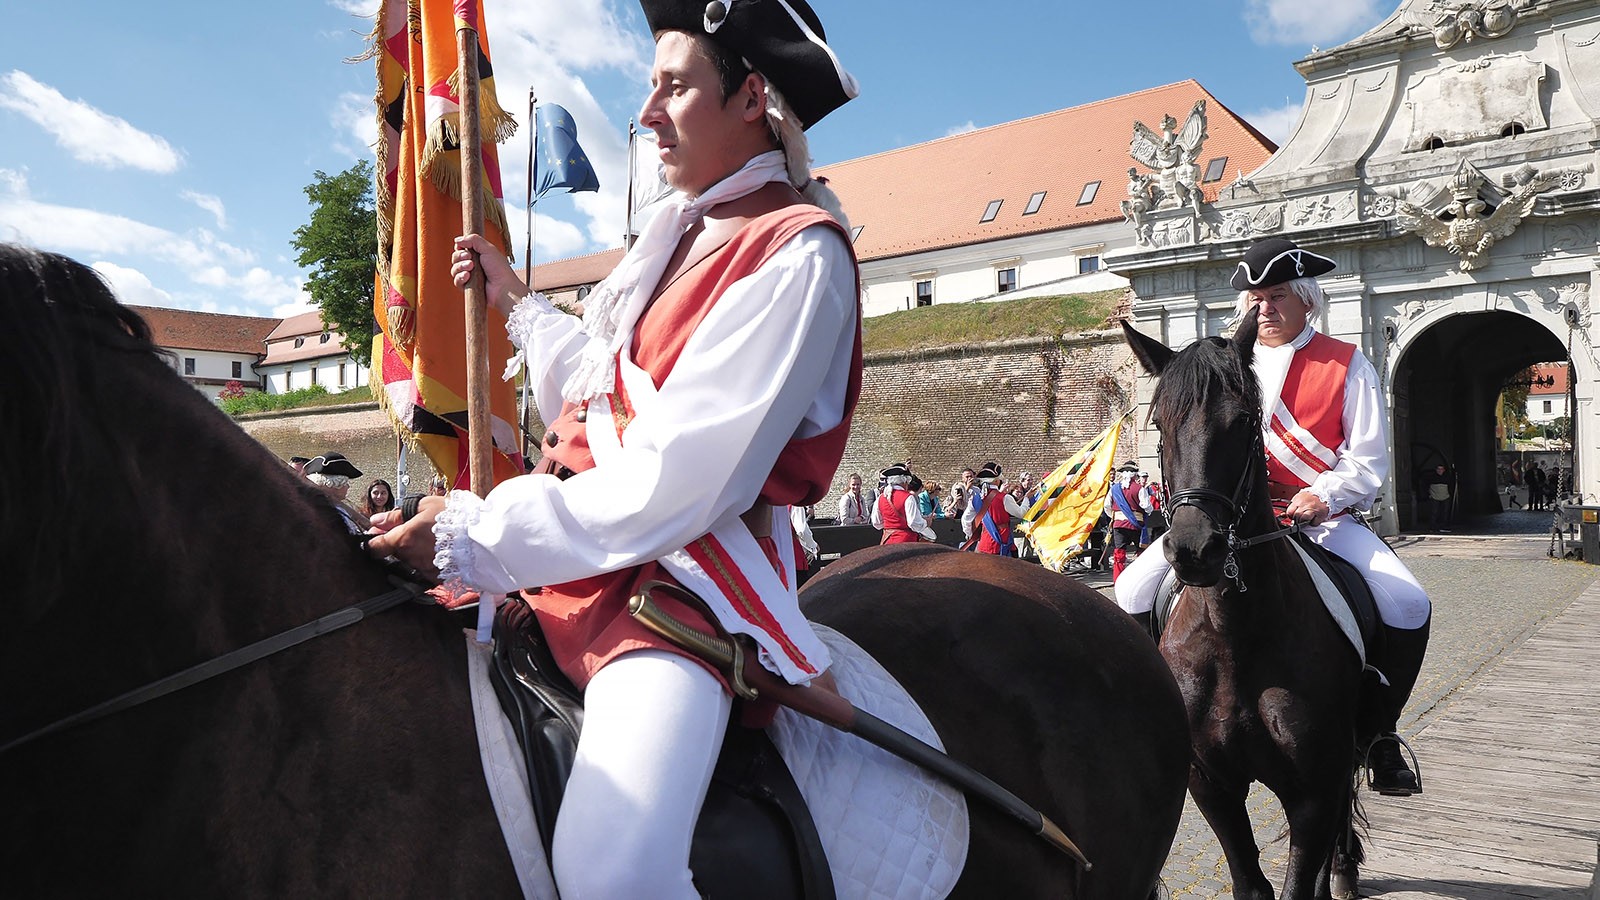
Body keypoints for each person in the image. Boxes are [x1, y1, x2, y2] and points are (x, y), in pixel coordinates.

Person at [366, 3, 861, 895]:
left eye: (674, 87)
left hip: (684, 585)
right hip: (575, 544)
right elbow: (603, 396)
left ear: (753, 98)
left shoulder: (798, 254)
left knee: (613, 870)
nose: (646, 112)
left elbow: (683, 481)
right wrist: (514, 301)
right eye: (651, 85)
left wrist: (477, 534)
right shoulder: (673, 235)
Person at [1116, 236, 1432, 797]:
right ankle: (1157, 718)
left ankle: (1380, 733)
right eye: (1256, 298)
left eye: (1278, 295)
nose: (1265, 307)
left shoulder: (1345, 362)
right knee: (1132, 589)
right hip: (1230, 521)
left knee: (1408, 602)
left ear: (1307, 299)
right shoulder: (1222, 364)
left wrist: (1325, 494)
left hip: (1322, 518)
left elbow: (1367, 458)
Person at [963, 462, 1026, 555]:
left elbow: (966, 520)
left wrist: (971, 535)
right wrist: (1026, 498)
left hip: (984, 544)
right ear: (996, 481)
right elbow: (1022, 513)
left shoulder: (975, 498)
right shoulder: (1004, 497)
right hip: (1002, 542)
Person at [1104, 461, 1152, 580]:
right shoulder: (1139, 489)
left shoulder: (1114, 489)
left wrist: (1115, 517)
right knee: (1141, 551)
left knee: (1119, 553)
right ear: (1135, 475)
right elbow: (1146, 506)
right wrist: (1147, 512)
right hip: (1135, 524)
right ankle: (1142, 578)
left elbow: (1107, 506)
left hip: (1118, 525)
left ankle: (1118, 579)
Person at [871, 463, 935, 543]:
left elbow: (876, 523)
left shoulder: (880, 498)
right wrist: (926, 522)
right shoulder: (908, 497)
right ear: (905, 481)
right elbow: (913, 523)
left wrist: (891, 525)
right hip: (906, 541)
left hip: (887, 540)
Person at [304, 452, 365, 533]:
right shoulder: (329, 512)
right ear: (334, 485)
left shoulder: (338, 508)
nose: (348, 487)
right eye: (345, 483)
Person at [1423, 464, 1452, 531]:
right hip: (1434, 496)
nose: (1440, 470)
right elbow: (1425, 486)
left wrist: (1450, 494)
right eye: (1438, 469)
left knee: (1445, 513)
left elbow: (1451, 486)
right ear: (1436, 470)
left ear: (1444, 470)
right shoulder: (1431, 477)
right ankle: (1432, 527)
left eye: (1441, 469)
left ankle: (1444, 527)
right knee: (1434, 512)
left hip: (1445, 496)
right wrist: (1428, 494)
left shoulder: (1447, 477)